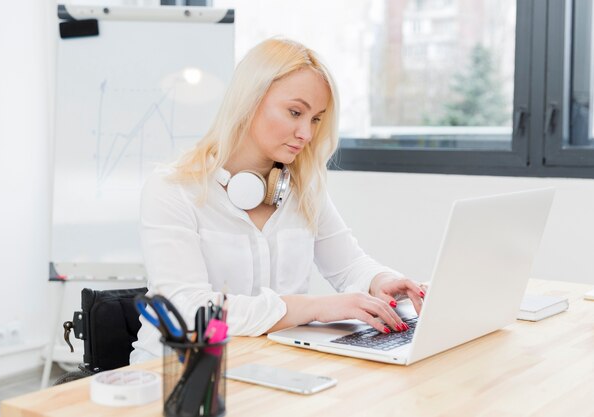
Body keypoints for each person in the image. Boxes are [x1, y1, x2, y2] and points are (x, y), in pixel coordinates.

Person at [130, 38, 426, 363]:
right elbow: (188, 311)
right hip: (177, 376)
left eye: (315, 119)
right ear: (249, 101)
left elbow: (349, 265)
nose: (307, 133)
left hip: (268, 366)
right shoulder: (173, 189)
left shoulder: (303, 187)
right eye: (295, 112)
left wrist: (380, 281)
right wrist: (314, 307)